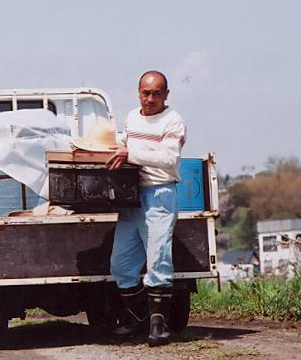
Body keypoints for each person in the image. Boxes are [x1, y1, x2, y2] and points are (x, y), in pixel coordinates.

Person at [106, 70, 186, 347]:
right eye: (145, 93)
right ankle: (136, 318)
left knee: (159, 260)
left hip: (159, 194)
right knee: (121, 265)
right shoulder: (131, 117)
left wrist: (130, 154)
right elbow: (123, 145)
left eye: (156, 93)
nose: (150, 99)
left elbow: (169, 157)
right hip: (131, 197)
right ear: (138, 92)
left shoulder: (173, 121)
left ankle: (158, 327)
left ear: (166, 95)